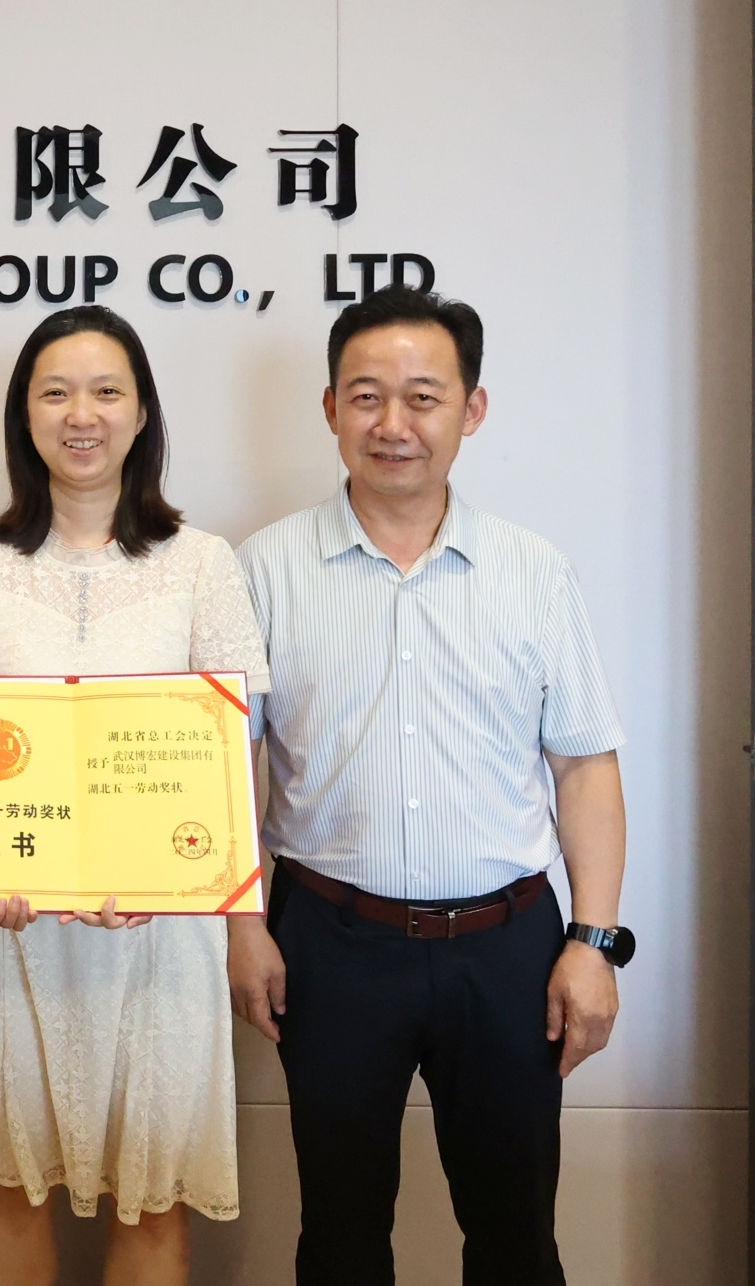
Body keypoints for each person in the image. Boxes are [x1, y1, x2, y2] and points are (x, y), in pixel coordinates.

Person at [232, 286, 631, 1286]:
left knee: (514, 1237)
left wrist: (592, 942)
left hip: (508, 948)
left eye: (423, 396)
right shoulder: (262, 569)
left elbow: (584, 764)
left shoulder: (533, 571)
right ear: (331, 408)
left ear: (471, 409)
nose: (393, 424)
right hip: (330, 943)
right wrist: (239, 924)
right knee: (339, 1237)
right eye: (367, 396)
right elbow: (223, 763)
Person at [0, 306, 270, 1286]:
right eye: (56, 392)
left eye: (107, 391)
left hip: (164, 931)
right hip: (11, 929)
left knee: (151, 1191)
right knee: (14, 1183)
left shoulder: (202, 562)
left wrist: (216, 900)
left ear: (142, 412)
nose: (82, 415)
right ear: (24, 414)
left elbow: (232, 756)